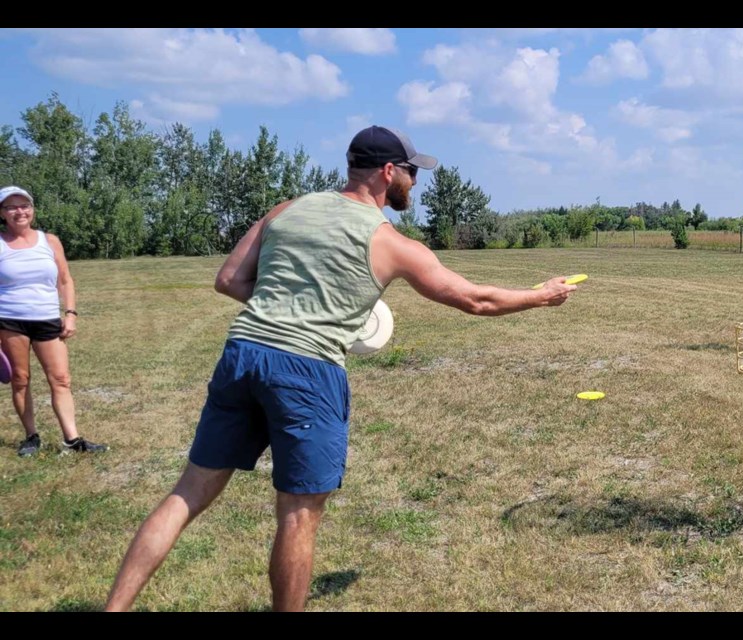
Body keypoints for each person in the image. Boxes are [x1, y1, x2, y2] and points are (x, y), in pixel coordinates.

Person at [105, 126, 577, 611]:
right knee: (298, 514)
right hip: (306, 371)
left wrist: (289, 305)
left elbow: (229, 279)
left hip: (243, 351)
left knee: (188, 493)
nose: (414, 183)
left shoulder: (288, 210)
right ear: (389, 172)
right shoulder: (389, 241)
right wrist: (542, 295)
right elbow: (474, 300)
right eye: (412, 173)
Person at [0, 186, 107, 457]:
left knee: (61, 378)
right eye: (11, 207)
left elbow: (65, 280)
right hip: (10, 320)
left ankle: (72, 439)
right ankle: (31, 436)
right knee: (20, 380)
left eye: (24, 205)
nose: (19, 211)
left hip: (47, 318)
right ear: (2, 213)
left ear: (32, 210)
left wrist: (70, 313)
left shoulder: (49, 240)